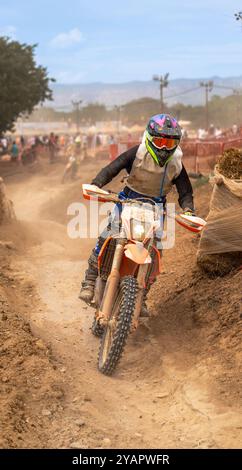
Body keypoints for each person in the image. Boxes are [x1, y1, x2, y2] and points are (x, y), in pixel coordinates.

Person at [79, 114, 195, 315]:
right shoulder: (138, 153)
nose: (164, 148)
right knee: (107, 235)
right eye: (160, 141)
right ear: (150, 138)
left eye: (170, 143)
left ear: (177, 143)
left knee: (157, 251)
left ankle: (142, 296)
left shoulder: (176, 162)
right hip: (127, 201)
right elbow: (111, 169)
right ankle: (89, 280)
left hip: (156, 207)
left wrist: (189, 210)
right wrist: (96, 184)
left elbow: (185, 190)